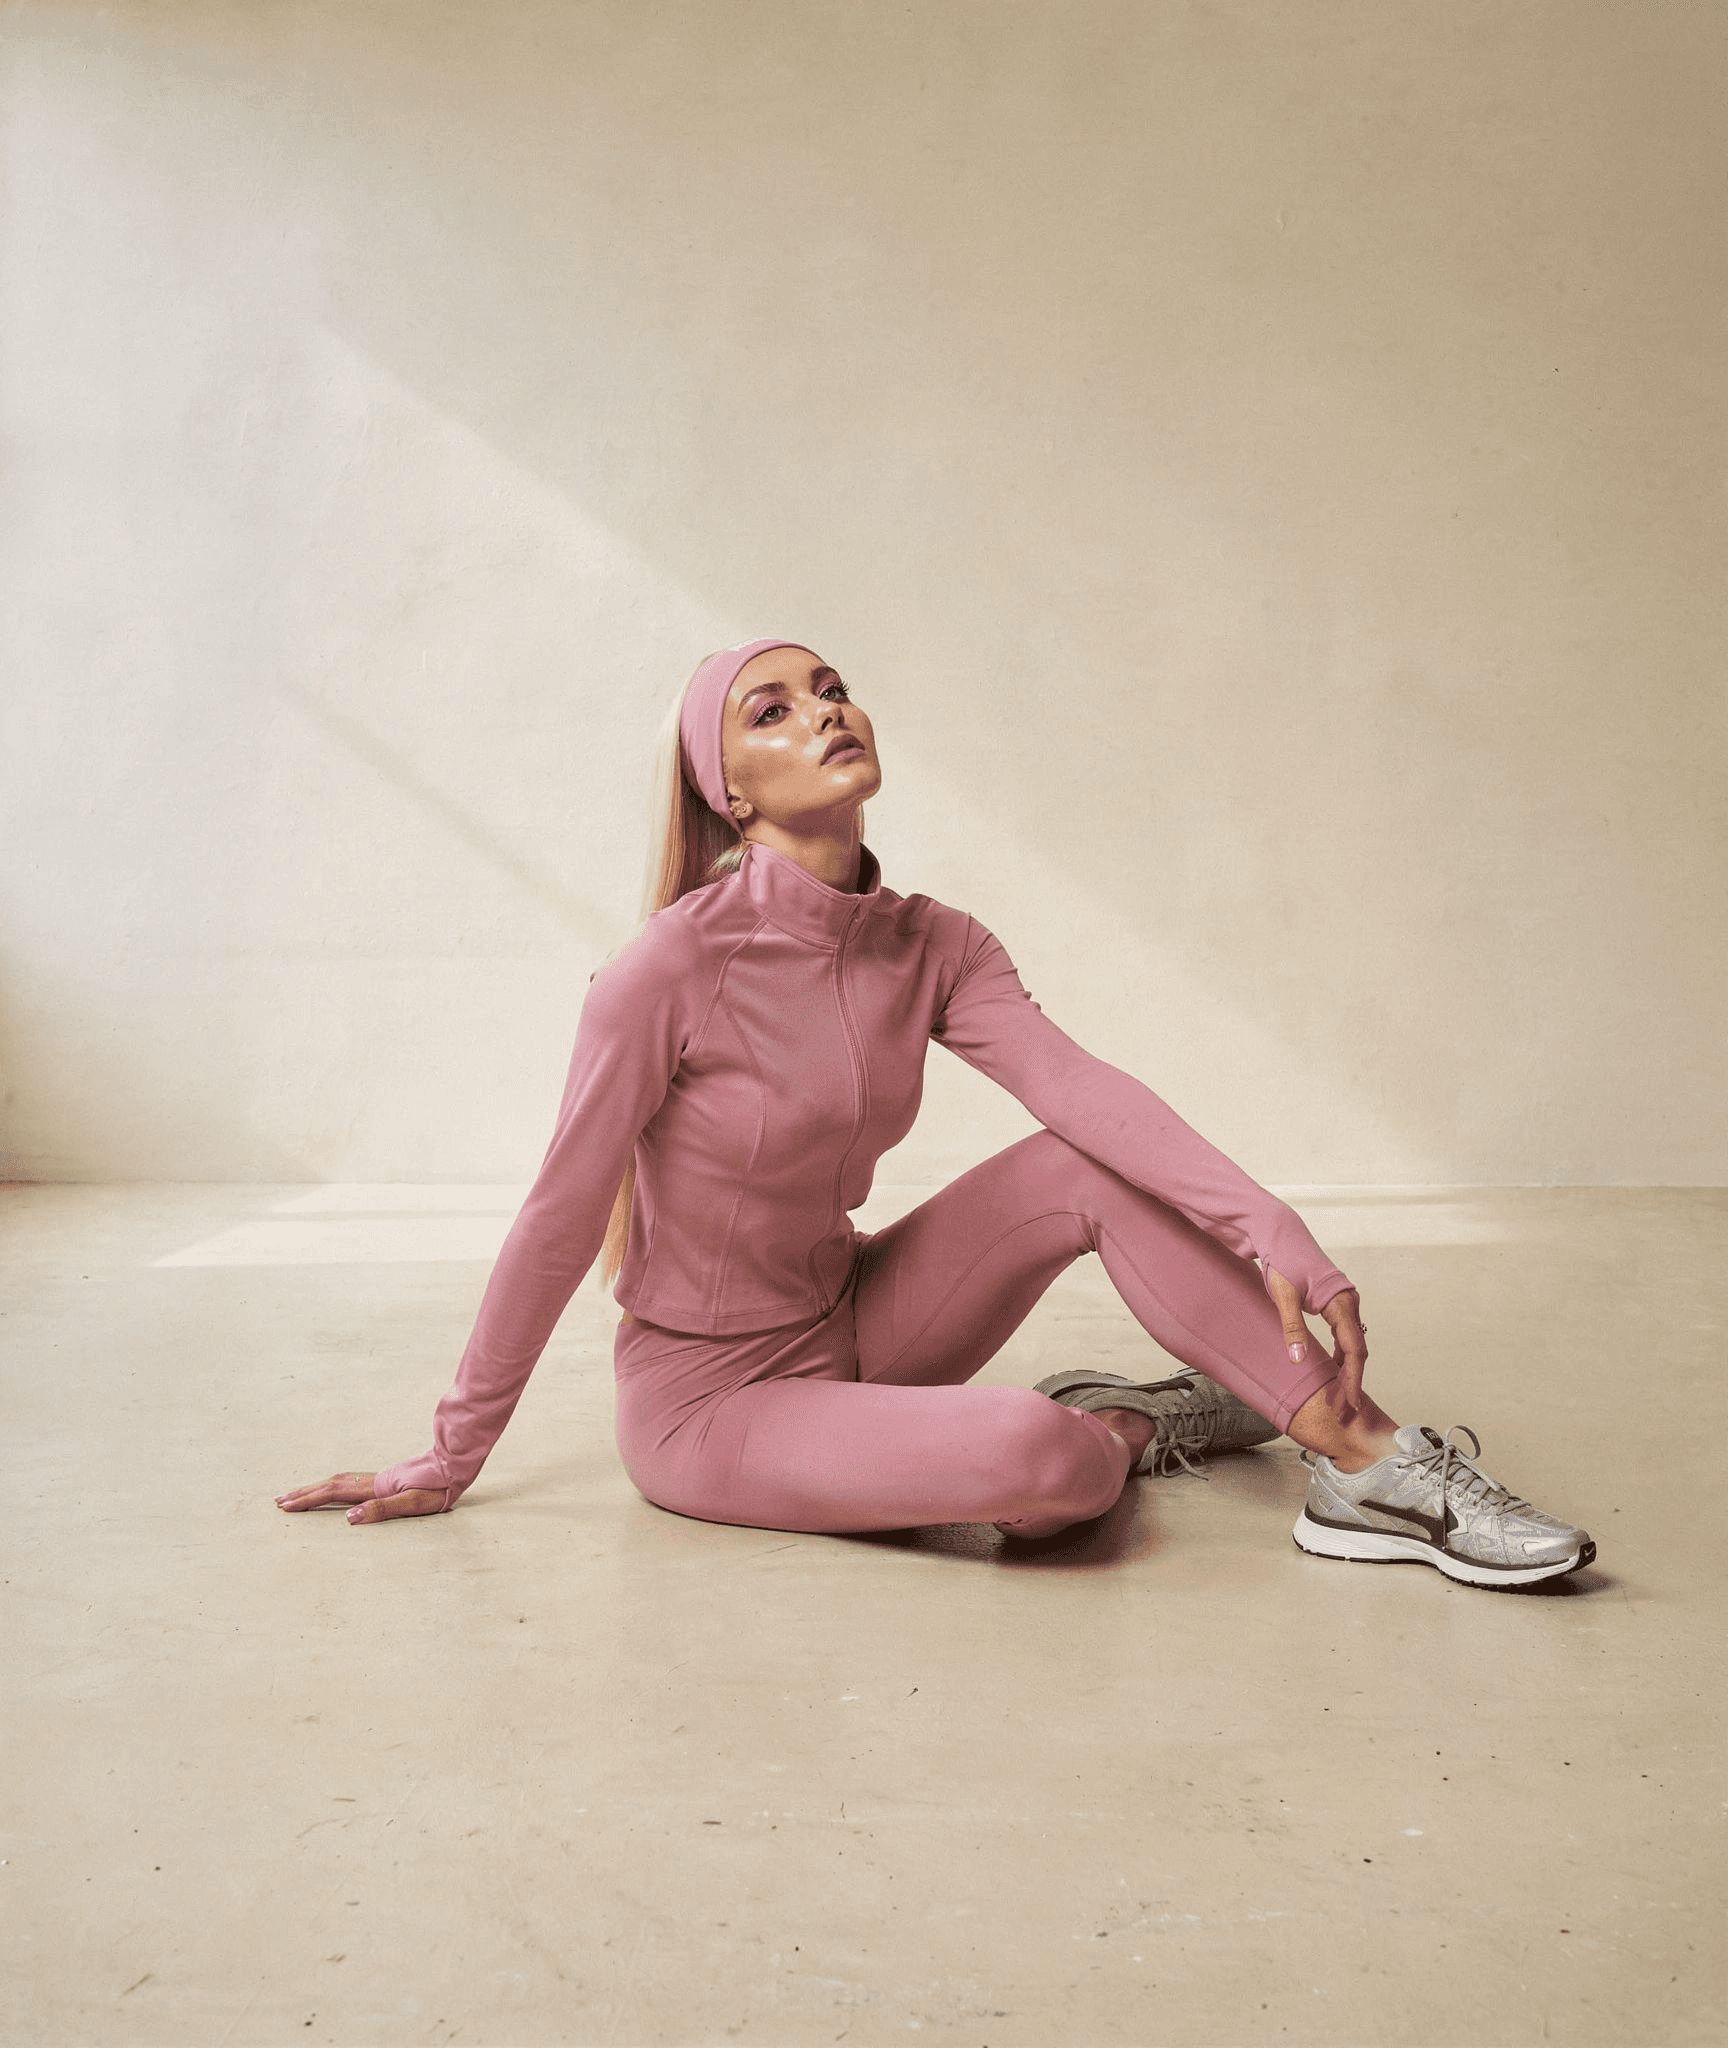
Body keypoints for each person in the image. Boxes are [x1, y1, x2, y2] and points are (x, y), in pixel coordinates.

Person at [277, 639, 1594, 1589]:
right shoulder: (666, 971)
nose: (823, 711)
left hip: (853, 1314)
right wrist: (449, 1453)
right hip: (711, 1404)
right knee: (1046, 1457)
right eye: (772, 711)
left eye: (830, 688)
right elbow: (560, 1216)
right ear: (730, 793)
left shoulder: (935, 943)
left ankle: (1370, 1468)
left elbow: (1084, 1094)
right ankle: (1132, 1423)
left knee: (1077, 1164)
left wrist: (1276, 1230)